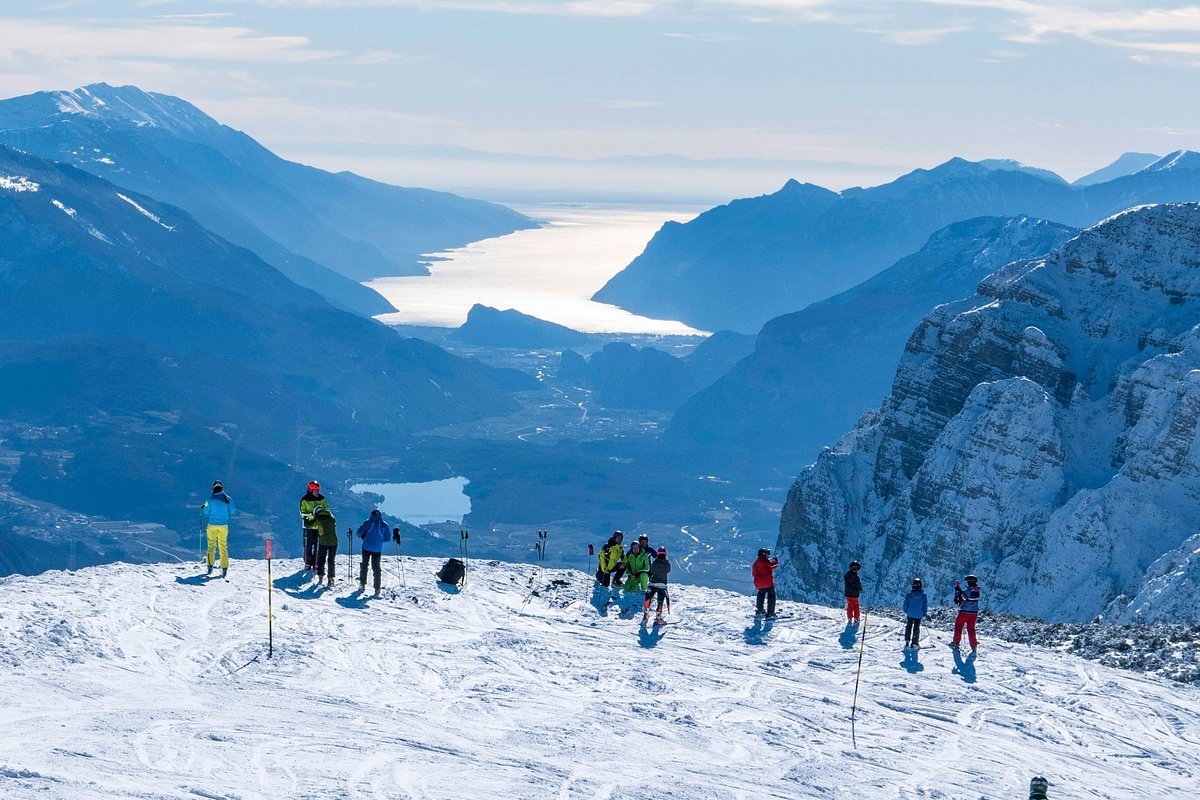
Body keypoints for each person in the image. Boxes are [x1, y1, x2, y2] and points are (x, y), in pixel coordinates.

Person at [200, 480, 237, 578]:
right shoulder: (228, 499)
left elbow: (205, 513)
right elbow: (233, 511)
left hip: (211, 525)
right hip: (223, 526)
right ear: (222, 488)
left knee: (211, 546)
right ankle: (224, 568)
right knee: (223, 546)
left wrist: (203, 508)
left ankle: (209, 566)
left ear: (213, 488)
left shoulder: (209, 499)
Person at [357, 508, 389, 597]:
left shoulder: (368, 522)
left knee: (364, 565)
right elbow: (388, 538)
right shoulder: (384, 524)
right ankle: (377, 588)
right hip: (377, 549)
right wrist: (379, 541)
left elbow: (358, 533)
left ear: (371, 515)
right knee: (376, 568)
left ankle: (362, 585)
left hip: (366, 547)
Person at [299, 481, 329, 571]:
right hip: (308, 526)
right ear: (310, 490)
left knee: (318, 545)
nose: (317, 492)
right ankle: (308, 562)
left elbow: (326, 509)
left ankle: (316, 563)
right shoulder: (305, 500)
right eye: (315, 490)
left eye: (318, 490)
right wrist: (313, 514)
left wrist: (323, 514)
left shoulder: (322, 498)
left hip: (319, 526)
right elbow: (302, 513)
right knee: (308, 545)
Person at [950, 573, 982, 651]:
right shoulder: (977, 591)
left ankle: (956, 643)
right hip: (974, 613)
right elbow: (965, 595)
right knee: (971, 628)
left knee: (959, 626)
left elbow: (959, 600)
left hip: (964, 612)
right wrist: (959, 590)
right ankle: (973, 645)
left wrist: (957, 591)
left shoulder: (969, 591)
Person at [643, 547, 671, 623]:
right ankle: (658, 617)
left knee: (648, 598)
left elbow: (651, 571)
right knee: (660, 601)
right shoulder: (667, 563)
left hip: (653, 584)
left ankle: (646, 613)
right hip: (662, 585)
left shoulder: (655, 562)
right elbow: (668, 570)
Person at [313, 506, 338, 587]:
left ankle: (320, 577)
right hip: (334, 542)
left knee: (321, 560)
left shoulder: (318, 519)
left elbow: (310, 525)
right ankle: (331, 578)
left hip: (323, 542)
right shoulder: (331, 517)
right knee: (331, 560)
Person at [752, 548, 779, 618]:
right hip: (767, 583)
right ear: (764, 554)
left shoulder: (756, 563)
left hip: (759, 584)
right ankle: (770, 613)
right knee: (771, 596)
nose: (768, 555)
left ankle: (760, 611)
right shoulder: (765, 561)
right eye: (767, 554)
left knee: (761, 594)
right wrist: (776, 560)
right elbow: (772, 565)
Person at [903, 577, 928, 648]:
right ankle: (914, 642)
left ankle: (907, 640)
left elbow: (906, 604)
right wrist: (924, 613)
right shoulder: (923, 596)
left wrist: (906, 610)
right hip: (919, 614)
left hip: (910, 613)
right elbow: (924, 605)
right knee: (916, 628)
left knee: (908, 627)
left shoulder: (909, 595)